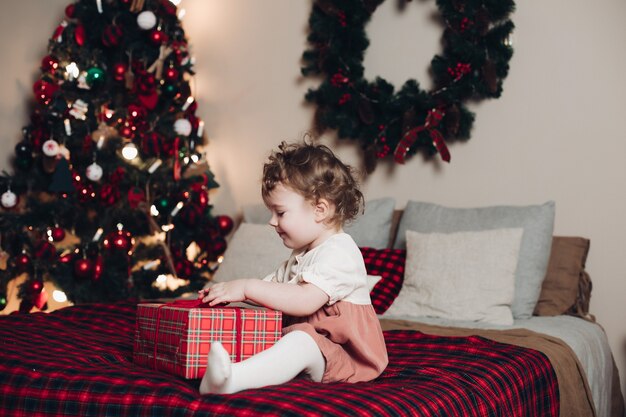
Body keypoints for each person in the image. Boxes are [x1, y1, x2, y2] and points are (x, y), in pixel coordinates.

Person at [197, 140, 388, 394]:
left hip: (348, 358)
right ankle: (226, 368)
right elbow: (271, 291)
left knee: (301, 342)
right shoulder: (301, 255)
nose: (271, 222)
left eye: (280, 212)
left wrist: (246, 288)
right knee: (278, 335)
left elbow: (304, 301)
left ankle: (231, 380)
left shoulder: (341, 252)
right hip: (319, 348)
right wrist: (229, 293)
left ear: (320, 210)